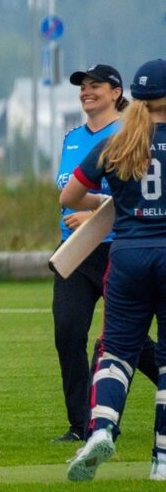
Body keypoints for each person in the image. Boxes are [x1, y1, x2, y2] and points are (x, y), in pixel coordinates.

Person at [61, 58, 166, 481]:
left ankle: (101, 428)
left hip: (127, 257)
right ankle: (162, 458)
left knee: (117, 350)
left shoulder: (117, 143)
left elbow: (70, 195)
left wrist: (114, 205)